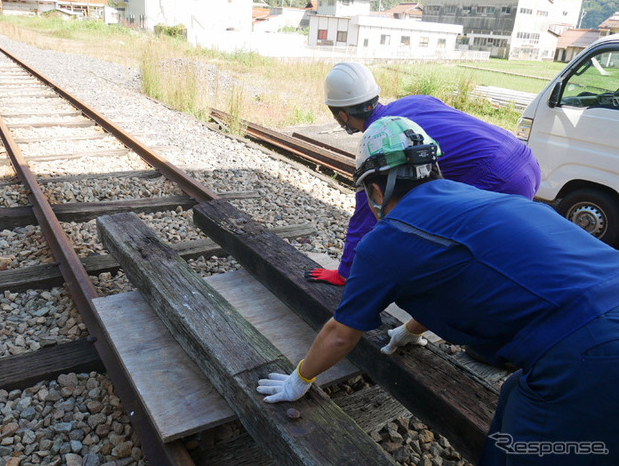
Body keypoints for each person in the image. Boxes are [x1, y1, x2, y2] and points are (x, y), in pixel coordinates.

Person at [259, 117, 619, 466]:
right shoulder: (471, 196)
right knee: (512, 399)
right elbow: (456, 273)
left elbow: (341, 334)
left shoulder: (386, 238)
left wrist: (301, 378)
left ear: (376, 189)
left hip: (590, 348)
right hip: (603, 304)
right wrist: (410, 330)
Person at [305, 62, 541, 287]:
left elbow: (368, 210)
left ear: (343, 115)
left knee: (453, 257)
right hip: (526, 159)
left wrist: (344, 272)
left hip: (498, 177)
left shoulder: (381, 138)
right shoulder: (415, 101)